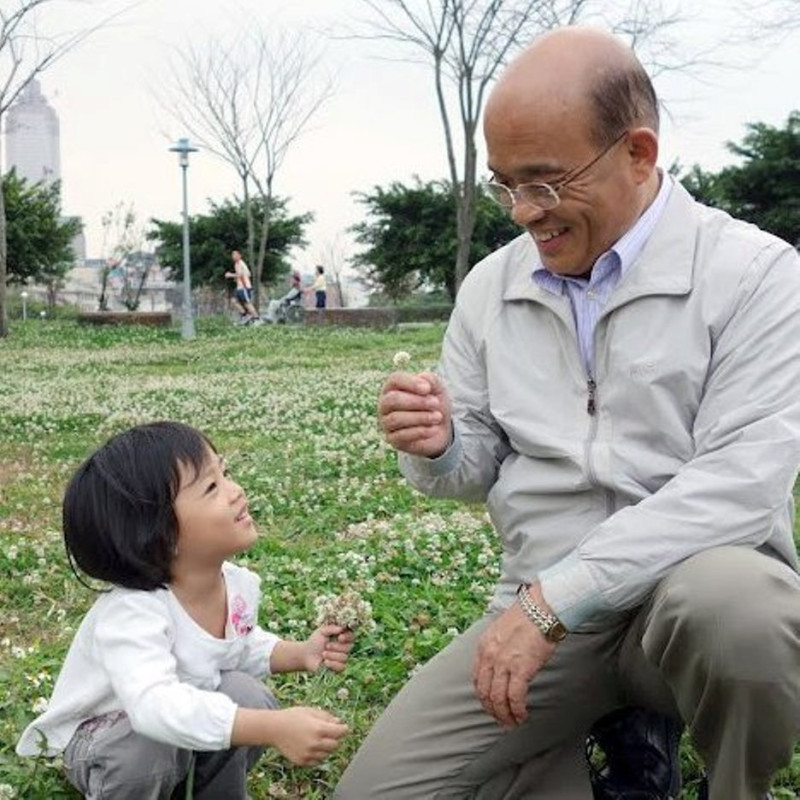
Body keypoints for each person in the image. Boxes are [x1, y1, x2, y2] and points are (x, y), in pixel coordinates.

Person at [337, 26, 800, 800]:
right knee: (378, 792)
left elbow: (740, 485)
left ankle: (729, 783)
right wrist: (442, 444)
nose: (523, 212)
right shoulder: (492, 287)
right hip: (543, 610)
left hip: (678, 600)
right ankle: (595, 743)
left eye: (546, 183)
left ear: (639, 153)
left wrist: (555, 602)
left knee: (740, 615)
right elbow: (471, 468)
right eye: (504, 184)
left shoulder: (754, 275)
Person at [17, 421, 353, 799]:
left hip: (175, 731)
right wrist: (270, 727)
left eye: (225, 474)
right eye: (212, 487)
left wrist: (300, 653)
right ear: (157, 534)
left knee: (248, 694)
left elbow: (238, 645)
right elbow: (153, 707)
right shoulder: (133, 612)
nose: (236, 491)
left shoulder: (233, 584)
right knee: (145, 748)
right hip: (107, 741)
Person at [225, 249, 263, 325]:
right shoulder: (237, 264)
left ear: (240, 256)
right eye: (232, 255)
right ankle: (245, 315)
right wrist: (237, 278)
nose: (233, 256)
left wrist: (230, 275)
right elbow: (248, 274)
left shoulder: (241, 263)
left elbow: (241, 274)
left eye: (235, 254)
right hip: (239, 287)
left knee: (247, 303)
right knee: (233, 301)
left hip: (244, 287)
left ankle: (257, 319)